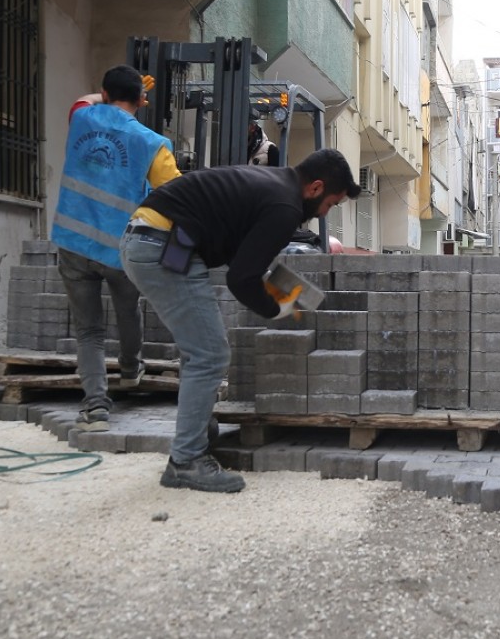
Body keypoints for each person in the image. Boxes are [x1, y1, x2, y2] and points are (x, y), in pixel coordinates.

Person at [121, 149, 362, 493]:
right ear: (316, 188)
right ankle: (186, 461)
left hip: (151, 237)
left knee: (197, 349)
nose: (325, 213)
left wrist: (283, 288)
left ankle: (197, 432)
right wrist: (276, 309)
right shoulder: (286, 207)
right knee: (210, 354)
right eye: (330, 204)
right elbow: (240, 279)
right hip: (162, 244)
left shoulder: (273, 184)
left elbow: (242, 257)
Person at [50, 65, 180, 433]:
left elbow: (85, 99)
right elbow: (177, 195)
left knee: (89, 331)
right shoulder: (153, 143)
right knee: (128, 309)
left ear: (105, 94)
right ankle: (130, 368)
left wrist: (106, 93)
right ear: (142, 100)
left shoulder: (81, 117)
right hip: (120, 248)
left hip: (73, 242)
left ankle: (95, 408)